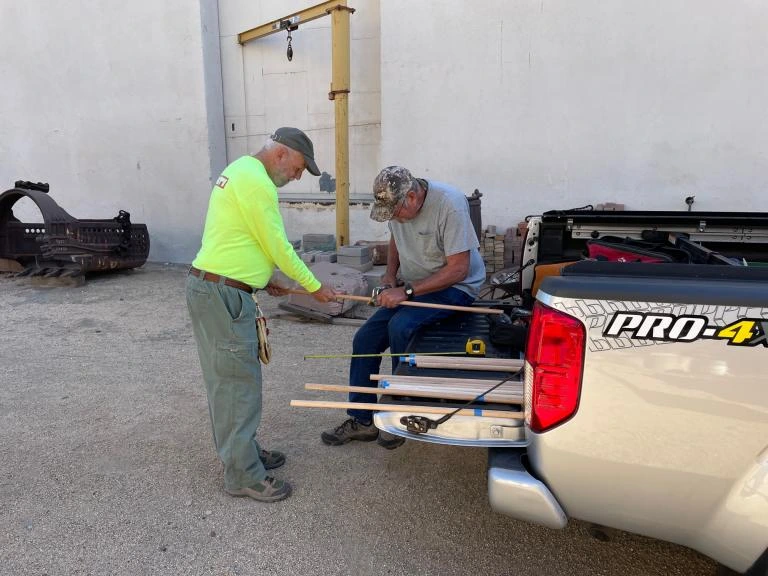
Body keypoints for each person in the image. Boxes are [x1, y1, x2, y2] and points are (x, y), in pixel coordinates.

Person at [187, 127, 337, 502]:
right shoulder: (257, 183)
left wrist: (262, 277)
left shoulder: (240, 170)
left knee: (231, 382)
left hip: (218, 287)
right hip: (223, 294)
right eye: (301, 167)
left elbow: (238, 237)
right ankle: (242, 474)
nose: (299, 177)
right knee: (237, 385)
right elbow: (278, 245)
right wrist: (313, 286)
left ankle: (244, 453)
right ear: (282, 154)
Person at [321, 166, 486, 449]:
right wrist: (389, 277)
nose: (394, 218)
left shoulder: (450, 204)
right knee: (365, 339)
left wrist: (406, 291)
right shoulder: (397, 207)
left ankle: (401, 414)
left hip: (456, 288)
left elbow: (459, 269)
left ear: (411, 196)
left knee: (401, 326)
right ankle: (363, 420)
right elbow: (396, 238)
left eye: (396, 212)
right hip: (416, 286)